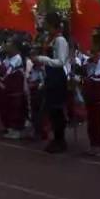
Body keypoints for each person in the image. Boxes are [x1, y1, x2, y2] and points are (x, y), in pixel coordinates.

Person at [34, 12, 70, 154]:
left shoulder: (60, 40)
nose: (43, 23)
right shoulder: (50, 38)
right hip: (49, 75)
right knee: (51, 110)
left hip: (57, 77)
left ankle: (60, 140)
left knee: (57, 110)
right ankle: (56, 138)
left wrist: (42, 59)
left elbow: (60, 61)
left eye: (45, 21)